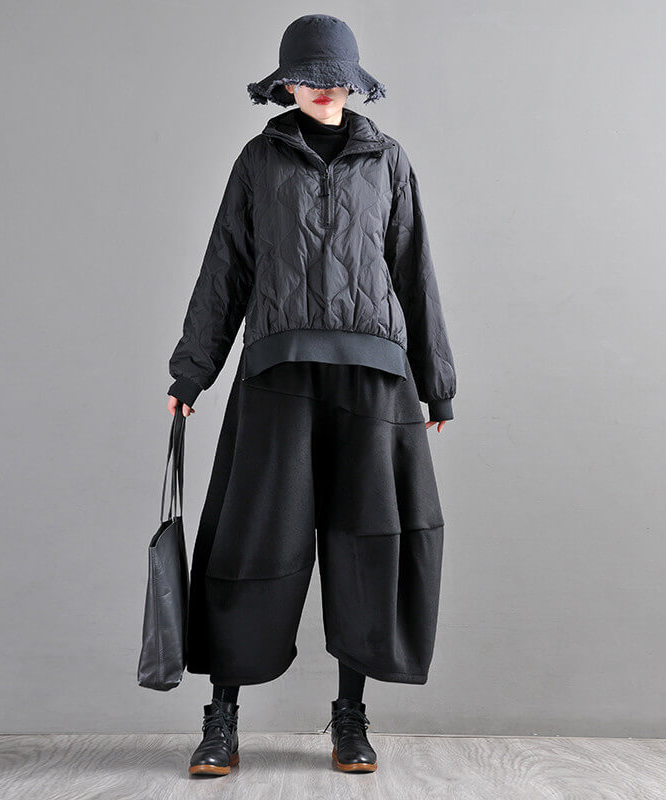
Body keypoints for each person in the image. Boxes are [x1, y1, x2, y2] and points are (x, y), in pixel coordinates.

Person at [166, 14, 457, 777]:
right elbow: (226, 268)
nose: (326, 89)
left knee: (367, 546)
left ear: (355, 84)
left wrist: (437, 384)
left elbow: (413, 270)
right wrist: (192, 371)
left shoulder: (388, 161)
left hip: (375, 379)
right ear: (287, 84)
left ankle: (350, 720)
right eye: (311, 76)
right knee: (248, 544)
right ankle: (222, 720)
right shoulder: (258, 161)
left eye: (338, 77)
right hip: (278, 372)